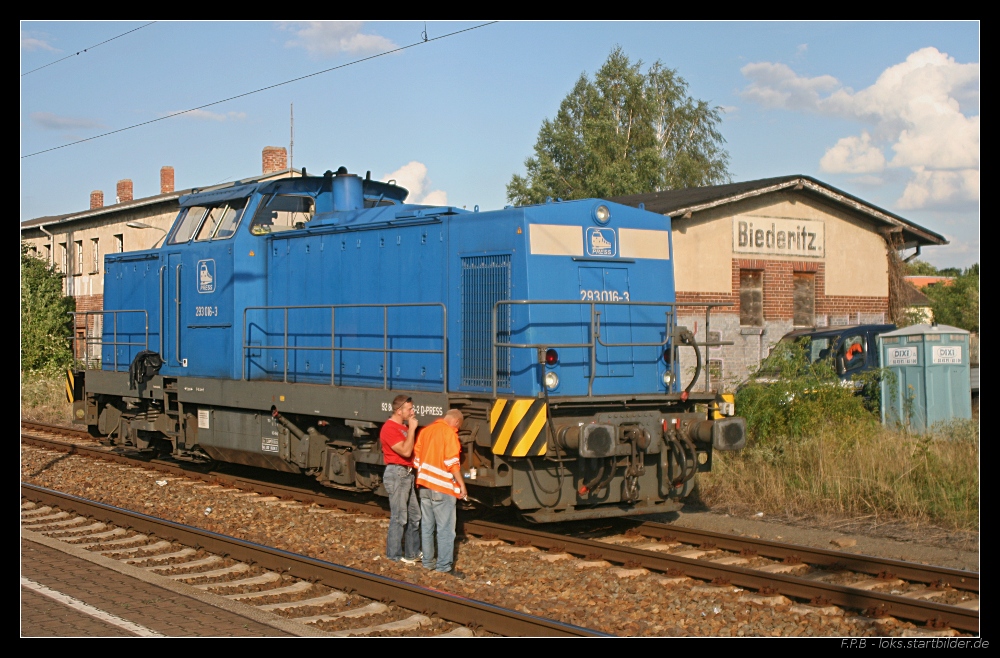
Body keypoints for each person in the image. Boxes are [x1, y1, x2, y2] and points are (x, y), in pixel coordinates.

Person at [413, 409, 467, 577]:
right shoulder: (449, 433)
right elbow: (452, 463)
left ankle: (428, 563)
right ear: (456, 422)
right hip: (442, 489)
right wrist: (461, 484)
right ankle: (444, 567)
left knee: (427, 526)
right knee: (445, 530)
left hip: (424, 486)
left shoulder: (425, 431)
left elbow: (416, 460)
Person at [380, 395, 421, 564]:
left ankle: (412, 553)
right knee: (399, 517)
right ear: (399, 411)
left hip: (407, 474)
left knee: (415, 516)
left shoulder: (402, 427)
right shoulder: (389, 429)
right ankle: (393, 556)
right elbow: (405, 451)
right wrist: (412, 429)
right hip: (397, 473)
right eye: (410, 409)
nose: (413, 412)